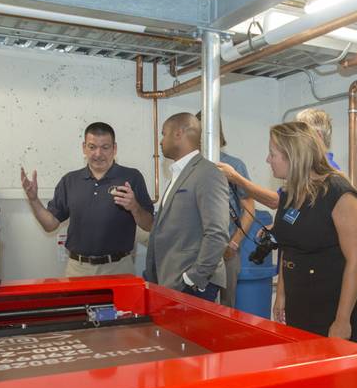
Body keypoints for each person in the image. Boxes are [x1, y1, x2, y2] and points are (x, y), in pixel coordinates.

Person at [267, 121, 357, 388]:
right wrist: (281, 292)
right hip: (299, 304)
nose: (268, 159)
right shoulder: (292, 193)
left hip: (331, 306)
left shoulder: (340, 193)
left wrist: (342, 321)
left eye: (274, 152)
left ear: (293, 155)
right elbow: (286, 247)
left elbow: (356, 262)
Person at [21, 122, 153, 277]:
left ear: (114, 149)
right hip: (78, 270)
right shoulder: (69, 181)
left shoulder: (132, 177)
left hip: (119, 268)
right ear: (84, 148)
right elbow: (50, 225)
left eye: (105, 147)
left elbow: (149, 224)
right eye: (92, 147)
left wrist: (134, 207)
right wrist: (34, 199)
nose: (98, 154)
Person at [145, 112, 228, 302]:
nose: (160, 141)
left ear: (179, 133)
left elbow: (217, 233)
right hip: (172, 281)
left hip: (191, 285)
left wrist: (193, 278)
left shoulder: (207, 173)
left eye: (164, 134)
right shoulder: (179, 174)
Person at [194, 112, 255, 308]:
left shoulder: (233, 166)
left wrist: (234, 244)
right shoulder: (189, 168)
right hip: (195, 253)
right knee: (196, 307)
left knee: (226, 308)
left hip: (226, 251)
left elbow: (249, 210)